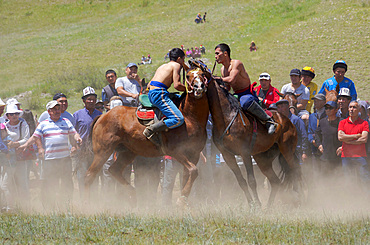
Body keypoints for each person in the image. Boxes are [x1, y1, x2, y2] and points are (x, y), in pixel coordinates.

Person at [20, 101, 82, 208]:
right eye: (54, 109)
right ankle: (49, 206)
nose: (57, 111)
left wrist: (77, 138)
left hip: (64, 158)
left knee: (67, 182)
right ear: (49, 111)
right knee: (49, 183)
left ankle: (66, 204)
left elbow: (74, 133)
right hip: (50, 160)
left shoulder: (66, 121)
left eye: (58, 109)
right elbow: (35, 137)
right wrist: (25, 144)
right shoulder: (44, 124)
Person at [214, 43, 276, 134]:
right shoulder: (223, 69)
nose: (215, 56)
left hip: (247, 93)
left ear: (225, 54)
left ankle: (268, 121)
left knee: (245, 102)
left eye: (217, 53)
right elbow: (228, 87)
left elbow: (231, 80)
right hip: (236, 95)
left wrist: (218, 79)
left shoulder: (236, 64)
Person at [143, 48, 186, 143]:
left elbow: (149, 85)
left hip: (153, 93)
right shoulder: (176, 65)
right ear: (179, 59)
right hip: (159, 94)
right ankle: (151, 130)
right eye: (183, 59)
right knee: (178, 119)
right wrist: (188, 89)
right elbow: (177, 85)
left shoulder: (162, 66)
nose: (183, 62)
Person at [73, 87, 102, 197]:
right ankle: (83, 199)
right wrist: (74, 145)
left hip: (96, 150)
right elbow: (72, 131)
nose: (91, 101)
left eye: (93, 99)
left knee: (94, 175)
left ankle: (94, 199)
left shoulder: (99, 115)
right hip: (82, 149)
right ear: (84, 100)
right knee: (82, 175)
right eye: (88, 99)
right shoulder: (77, 115)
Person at [2, 103, 30, 211]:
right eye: (11, 114)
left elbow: (26, 138)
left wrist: (16, 144)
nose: (14, 116)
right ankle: (10, 205)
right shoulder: (5, 125)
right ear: (7, 116)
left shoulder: (23, 124)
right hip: (9, 158)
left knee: (23, 181)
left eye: (16, 114)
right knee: (8, 183)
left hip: (20, 156)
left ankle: (26, 205)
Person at [338, 101, 369, 193]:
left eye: (354, 107)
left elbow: (364, 139)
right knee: (348, 180)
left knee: (364, 179)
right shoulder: (342, 122)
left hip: (360, 156)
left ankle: (366, 199)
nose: (352, 109)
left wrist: (347, 140)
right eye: (350, 107)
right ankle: (351, 199)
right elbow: (340, 137)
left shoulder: (364, 123)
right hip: (346, 156)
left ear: (359, 110)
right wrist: (356, 136)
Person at [315, 101, 342, 174]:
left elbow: (347, 135)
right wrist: (319, 145)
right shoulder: (322, 121)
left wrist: (343, 147)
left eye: (331, 108)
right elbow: (317, 134)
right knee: (325, 178)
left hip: (338, 157)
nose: (328, 110)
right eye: (326, 108)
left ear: (336, 110)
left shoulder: (341, 121)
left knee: (338, 178)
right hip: (325, 157)